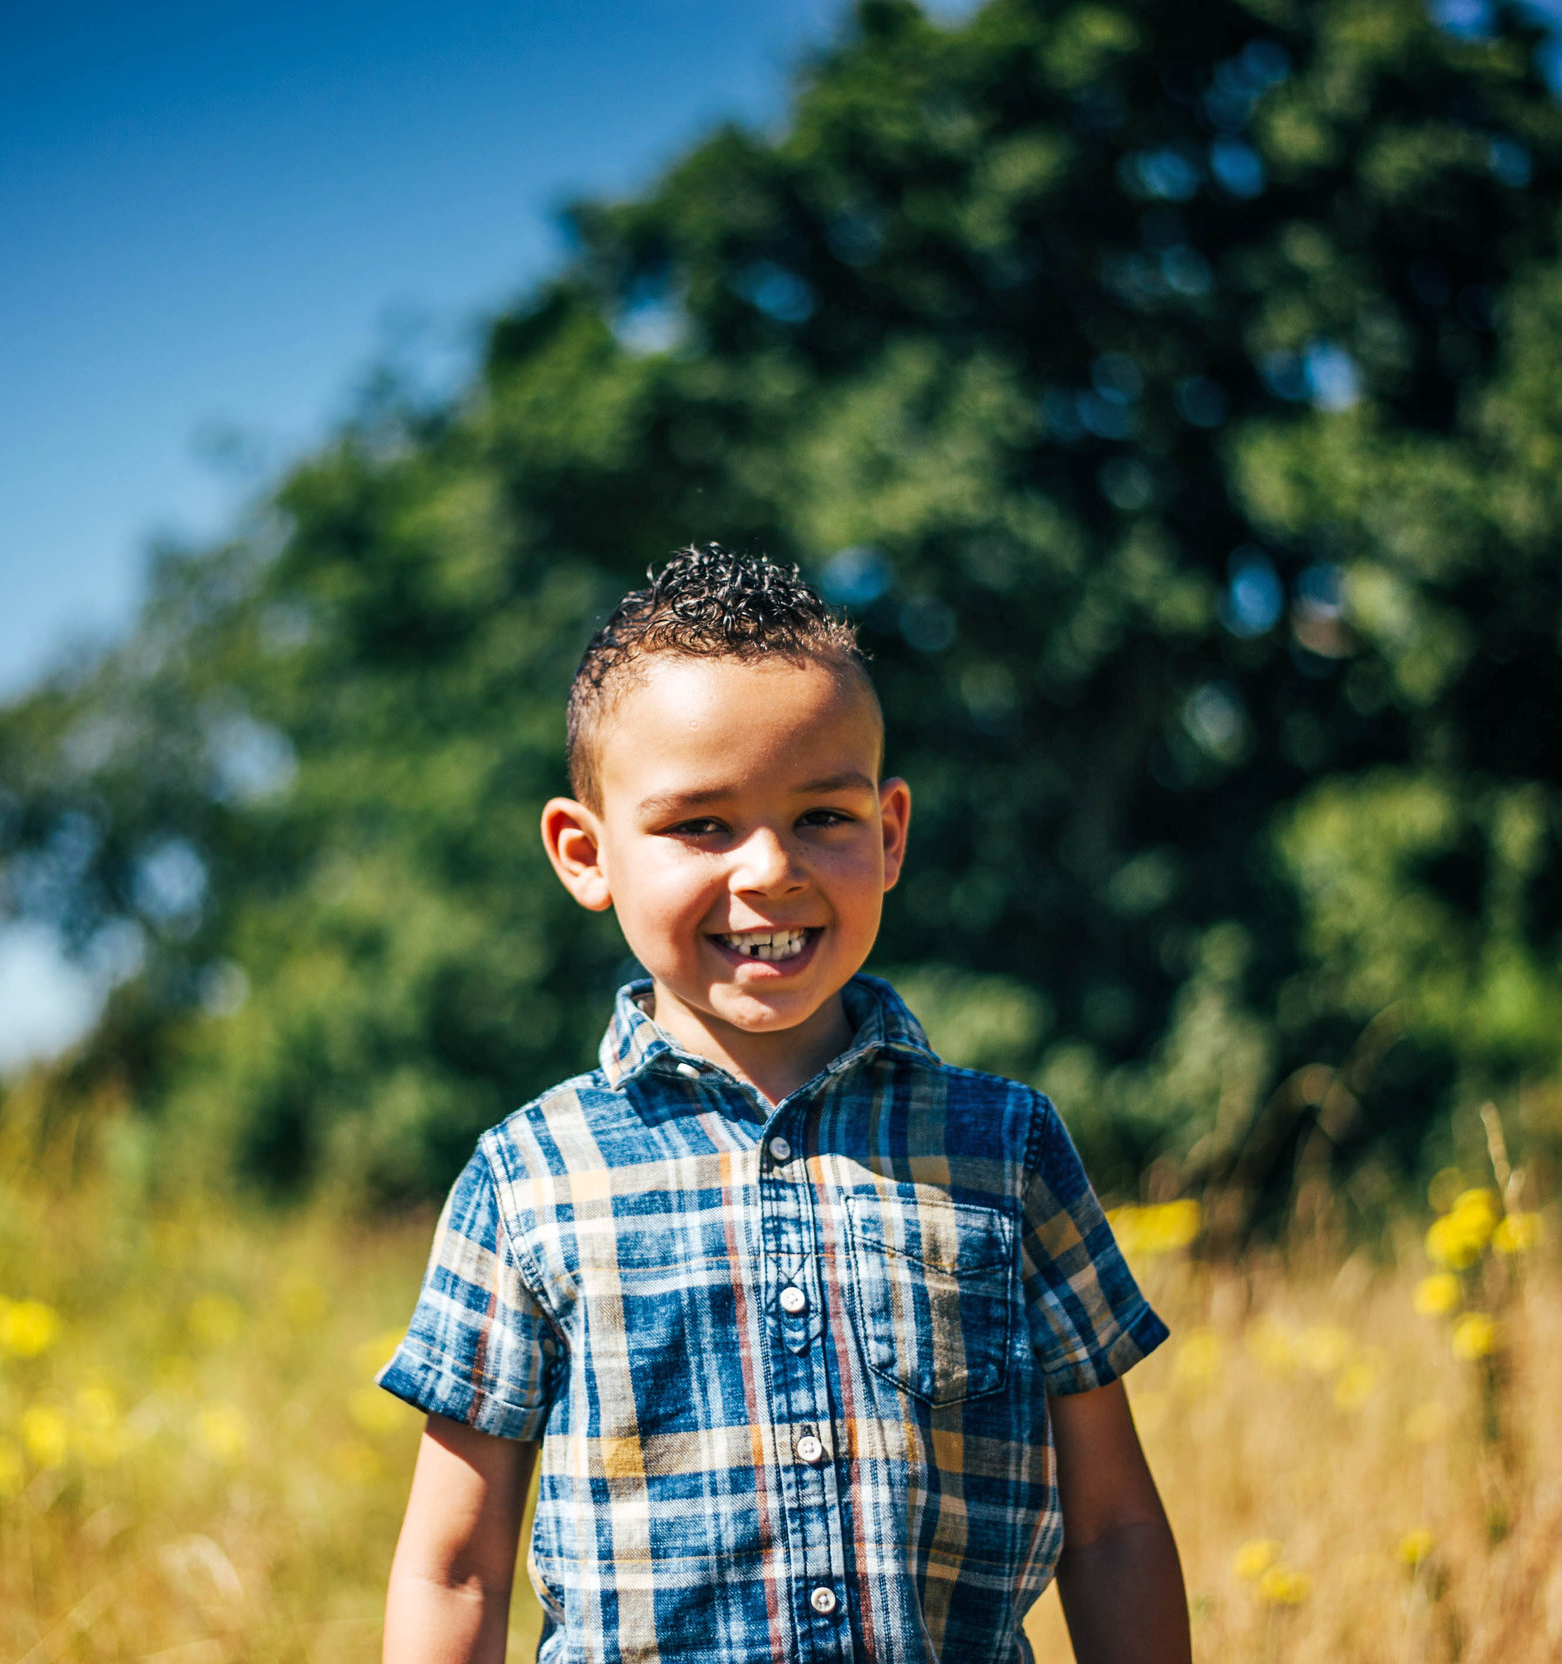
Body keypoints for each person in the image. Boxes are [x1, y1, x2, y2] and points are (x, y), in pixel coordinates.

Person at [376, 547, 1187, 1663]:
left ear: (890, 832)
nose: (768, 869)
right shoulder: (528, 1180)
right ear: (584, 850)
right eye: (701, 825)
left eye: (821, 816)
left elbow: (1112, 1527)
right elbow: (453, 1565)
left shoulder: (1005, 1149)